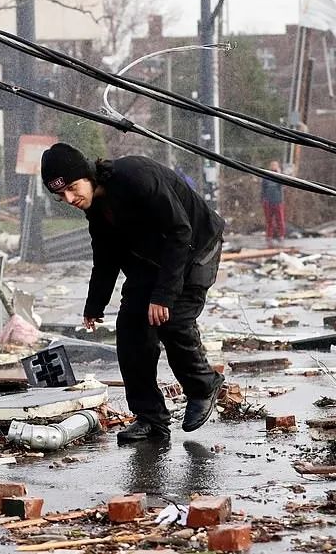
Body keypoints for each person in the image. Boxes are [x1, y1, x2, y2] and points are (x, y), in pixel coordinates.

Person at [40, 143, 226, 444]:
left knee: (172, 320)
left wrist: (163, 295)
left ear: (88, 174)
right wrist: (95, 303)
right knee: (131, 329)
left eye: (73, 188)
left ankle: (204, 386)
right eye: (61, 195)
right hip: (152, 260)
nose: (70, 199)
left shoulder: (136, 177)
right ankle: (151, 418)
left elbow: (181, 231)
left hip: (195, 247)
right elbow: (105, 255)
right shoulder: (96, 209)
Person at [260, 160, 286, 246]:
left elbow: (283, 185)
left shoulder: (280, 176)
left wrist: (279, 174)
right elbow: (263, 189)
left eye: (275, 165)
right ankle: (269, 237)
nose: (274, 167)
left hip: (278, 201)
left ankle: (281, 236)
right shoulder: (266, 176)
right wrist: (263, 199)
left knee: (280, 220)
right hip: (268, 201)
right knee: (269, 221)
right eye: (272, 165)